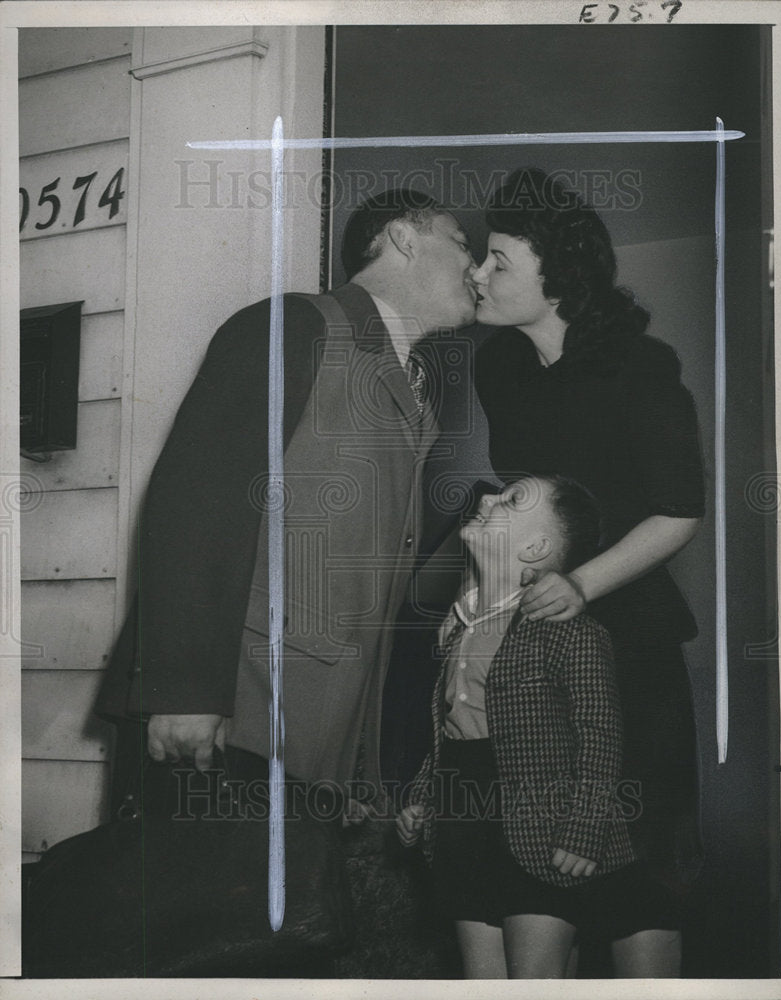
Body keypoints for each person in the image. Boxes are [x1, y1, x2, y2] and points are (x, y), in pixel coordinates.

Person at [96, 188, 478, 808]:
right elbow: (196, 500)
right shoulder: (295, 326)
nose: (475, 263)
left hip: (314, 739)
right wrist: (186, 691)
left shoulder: (413, 389)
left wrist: (358, 758)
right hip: (231, 719)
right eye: (461, 242)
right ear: (405, 237)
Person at [470, 167, 705, 973]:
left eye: (498, 261)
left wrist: (581, 587)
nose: (478, 274)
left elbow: (679, 511)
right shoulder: (497, 369)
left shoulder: (642, 366)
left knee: (639, 885)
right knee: (542, 881)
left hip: (631, 651)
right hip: (537, 654)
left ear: (558, 275)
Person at [397, 475, 672, 978]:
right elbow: (448, 730)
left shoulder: (573, 633)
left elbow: (600, 738)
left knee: (535, 982)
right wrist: (423, 796)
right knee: (484, 983)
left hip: (540, 831)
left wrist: (585, 829)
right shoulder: (457, 625)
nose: (486, 499)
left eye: (511, 500)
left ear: (536, 547)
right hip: (463, 828)